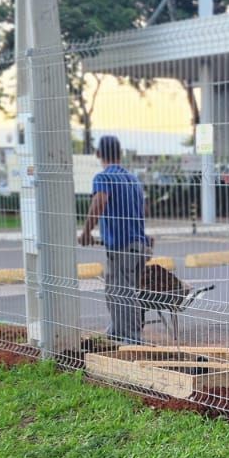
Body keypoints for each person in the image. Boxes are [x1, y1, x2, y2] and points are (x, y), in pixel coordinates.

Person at [79, 136, 151, 344]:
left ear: (98, 154)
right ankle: (117, 332)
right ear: (119, 154)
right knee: (119, 292)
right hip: (139, 245)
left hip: (122, 247)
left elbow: (99, 201)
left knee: (121, 294)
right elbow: (144, 210)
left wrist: (86, 232)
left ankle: (132, 341)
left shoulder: (103, 178)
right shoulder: (132, 179)